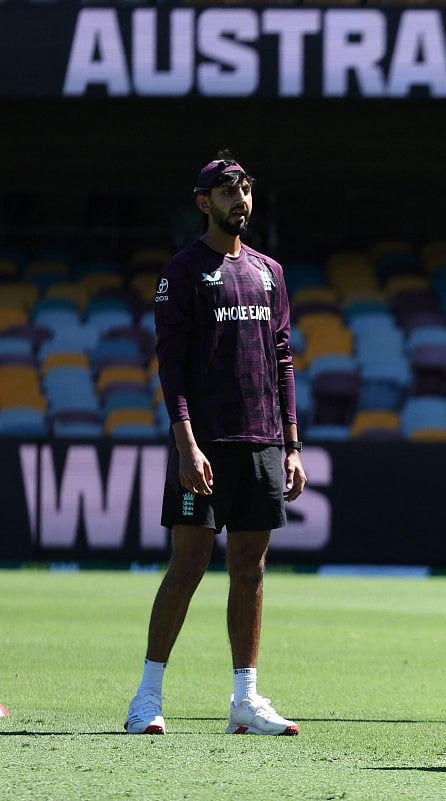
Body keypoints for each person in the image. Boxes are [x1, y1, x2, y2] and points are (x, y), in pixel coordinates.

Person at [124, 151, 307, 736]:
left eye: (246, 189)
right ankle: (146, 698)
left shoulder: (269, 272)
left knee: (250, 570)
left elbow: (283, 360)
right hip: (204, 444)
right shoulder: (181, 272)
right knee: (188, 565)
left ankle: (245, 702)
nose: (240, 200)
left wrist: (292, 444)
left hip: (262, 443)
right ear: (204, 203)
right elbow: (170, 367)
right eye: (228, 192)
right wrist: (185, 443)